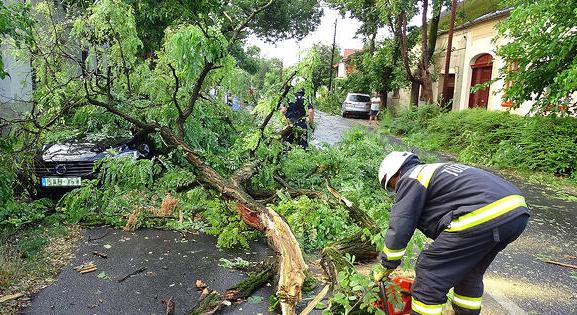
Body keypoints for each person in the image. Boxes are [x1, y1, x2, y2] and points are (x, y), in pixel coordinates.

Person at [374, 151, 529, 315]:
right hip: (515, 213)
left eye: (391, 186)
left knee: (429, 271)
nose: (395, 190)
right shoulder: (435, 171)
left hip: (484, 213)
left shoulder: (411, 177)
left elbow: (401, 222)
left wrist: (387, 264)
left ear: (396, 173)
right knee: (468, 272)